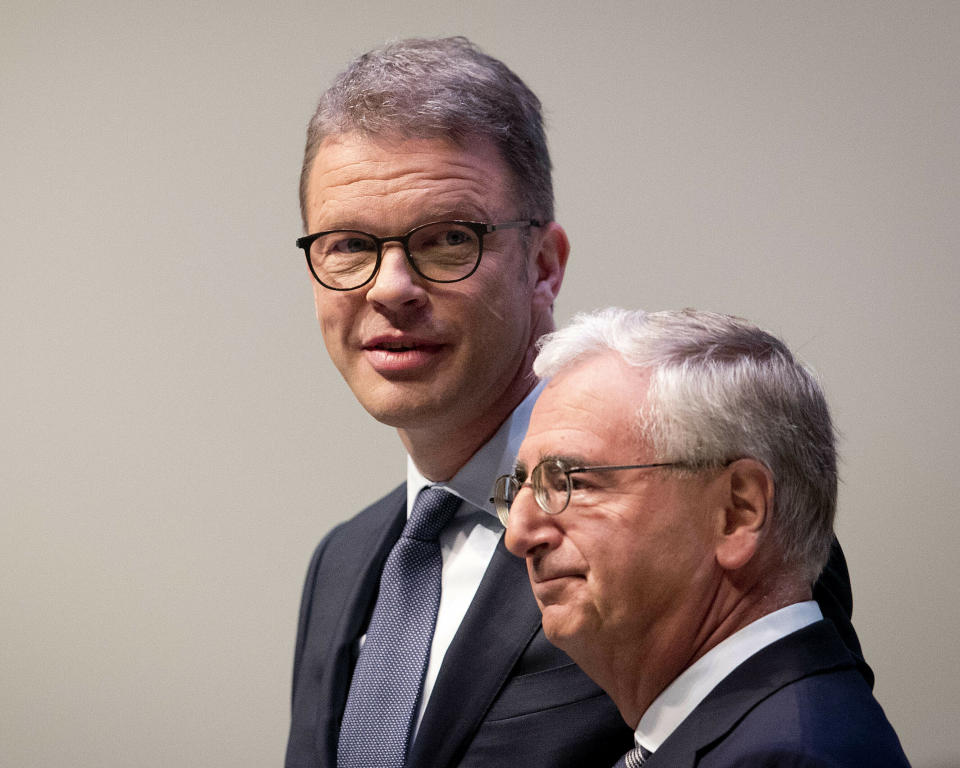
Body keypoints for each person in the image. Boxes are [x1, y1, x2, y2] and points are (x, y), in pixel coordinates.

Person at [286, 38, 865, 768]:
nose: (389, 287)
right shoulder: (341, 564)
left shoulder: (696, 524)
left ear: (545, 264)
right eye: (347, 245)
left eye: (446, 240)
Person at [499, 308, 909, 767]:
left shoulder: (788, 756)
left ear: (737, 513)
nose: (519, 533)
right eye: (522, 487)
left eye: (571, 481)